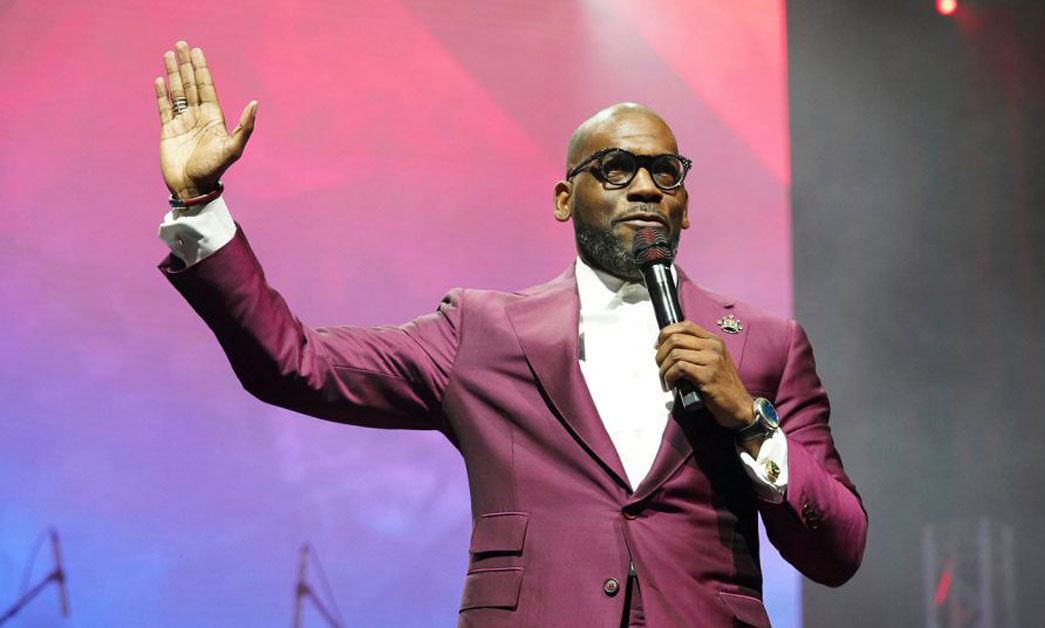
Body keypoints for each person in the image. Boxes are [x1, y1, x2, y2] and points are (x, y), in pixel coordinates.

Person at [153, 40, 866, 628]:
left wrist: (748, 420)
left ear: (685, 206)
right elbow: (294, 362)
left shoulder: (765, 345)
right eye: (616, 169)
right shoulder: (484, 332)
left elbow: (839, 550)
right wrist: (200, 204)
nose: (646, 187)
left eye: (665, 173)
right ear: (565, 198)